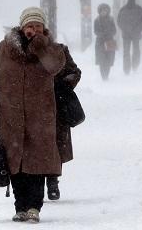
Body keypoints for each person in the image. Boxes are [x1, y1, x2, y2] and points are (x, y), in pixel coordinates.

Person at [0, 7, 65, 224]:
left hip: (40, 117)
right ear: (22, 27)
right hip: (10, 116)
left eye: (37, 26)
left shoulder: (51, 49)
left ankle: (34, 206)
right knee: (15, 164)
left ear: (43, 28)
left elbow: (55, 67)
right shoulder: (5, 48)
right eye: (29, 25)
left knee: (37, 163)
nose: (33, 29)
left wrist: (40, 46)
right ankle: (20, 207)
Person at [47, 46, 82, 201]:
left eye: (38, 26)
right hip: (32, 106)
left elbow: (75, 73)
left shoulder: (58, 50)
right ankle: (36, 184)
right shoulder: (23, 52)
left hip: (57, 106)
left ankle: (53, 181)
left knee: (56, 144)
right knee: (35, 145)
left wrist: (61, 86)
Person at [117, 0, 142, 74]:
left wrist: (138, 29)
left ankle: (135, 67)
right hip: (128, 34)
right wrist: (126, 29)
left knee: (135, 51)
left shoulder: (138, 9)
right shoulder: (124, 9)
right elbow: (119, 21)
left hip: (134, 34)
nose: (131, 1)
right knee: (128, 52)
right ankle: (128, 69)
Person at [94, 3, 117, 80]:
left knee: (109, 59)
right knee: (101, 60)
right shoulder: (97, 20)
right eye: (102, 11)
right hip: (100, 42)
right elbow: (95, 31)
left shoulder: (111, 19)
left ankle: (107, 74)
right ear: (100, 11)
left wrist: (109, 34)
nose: (104, 12)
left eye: (105, 10)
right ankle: (103, 76)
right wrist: (102, 35)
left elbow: (114, 30)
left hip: (110, 41)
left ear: (108, 11)